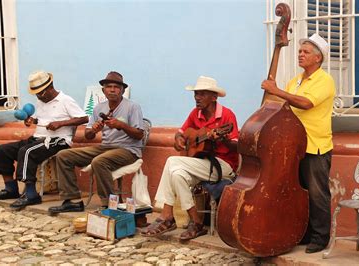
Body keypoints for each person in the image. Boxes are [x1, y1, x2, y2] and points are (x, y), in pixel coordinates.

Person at [261, 33, 336, 253]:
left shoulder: (325, 80)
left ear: (318, 58)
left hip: (316, 145)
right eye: (300, 52)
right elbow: (282, 104)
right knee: (299, 192)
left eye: (305, 52)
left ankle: (320, 237)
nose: (300, 55)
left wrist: (278, 91)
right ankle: (302, 233)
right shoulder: (295, 81)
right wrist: (271, 94)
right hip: (293, 146)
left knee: (317, 193)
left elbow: (305, 103)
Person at [141, 76, 239, 241]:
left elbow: (236, 146)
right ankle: (196, 221)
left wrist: (223, 139)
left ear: (214, 97)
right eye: (196, 94)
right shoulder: (196, 113)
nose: (197, 98)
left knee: (172, 161)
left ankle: (166, 214)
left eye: (202, 94)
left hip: (223, 167)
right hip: (200, 164)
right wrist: (178, 139)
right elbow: (181, 131)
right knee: (178, 175)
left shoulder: (227, 115)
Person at [0, 71, 88, 210]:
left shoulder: (65, 100)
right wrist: (31, 120)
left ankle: (31, 194)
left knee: (26, 151)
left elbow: (84, 118)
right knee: (3, 150)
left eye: (41, 93)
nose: (39, 96)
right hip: (37, 138)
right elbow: (40, 120)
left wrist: (60, 123)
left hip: (57, 141)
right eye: (36, 93)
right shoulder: (40, 101)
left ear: (50, 86)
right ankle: (10, 189)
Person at [48, 71, 144, 214]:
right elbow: (88, 135)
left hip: (128, 150)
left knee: (99, 161)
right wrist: (94, 130)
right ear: (103, 90)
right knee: (63, 155)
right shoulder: (99, 108)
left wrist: (121, 125)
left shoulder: (132, 107)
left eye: (116, 87)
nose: (112, 90)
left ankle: (110, 205)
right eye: (108, 86)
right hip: (105, 148)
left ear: (123, 90)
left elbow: (139, 135)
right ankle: (73, 201)